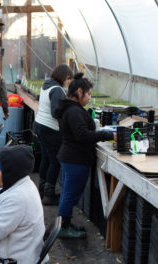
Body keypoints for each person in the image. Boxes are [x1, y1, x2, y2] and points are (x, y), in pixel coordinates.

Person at [55, 72, 115, 239]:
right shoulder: (74, 112)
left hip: (71, 157)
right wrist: (106, 135)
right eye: (88, 94)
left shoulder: (71, 109)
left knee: (68, 193)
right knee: (70, 194)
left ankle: (64, 223)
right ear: (79, 92)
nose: (89, 98)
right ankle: (63, 227)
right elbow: (82, 135)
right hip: (75, 159)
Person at [34, 64, 74, 205]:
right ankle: (49, 195)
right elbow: (56, 112)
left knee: (46, 158)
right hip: (50, 128)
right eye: (68, 79)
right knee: (55, 161)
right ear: (63, 77)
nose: (69, 82)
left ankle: (42, 190)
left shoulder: (47, 85)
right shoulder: (57, 89)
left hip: (40, 124)